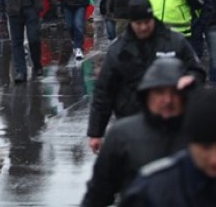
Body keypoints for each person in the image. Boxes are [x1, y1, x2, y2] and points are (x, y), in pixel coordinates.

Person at [86, 0, 205, 153]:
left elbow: (196, 71)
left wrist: (191, 79)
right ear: (131, 23)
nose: (143, 27)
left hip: (170, 123)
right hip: (132, 123)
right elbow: (104, 91)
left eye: (147, 22)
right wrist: (96, 132)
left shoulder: (174, 42)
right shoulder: (118, 50)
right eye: (138, 23)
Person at [81, 57, 194, 207]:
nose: (168, 100)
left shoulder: (200, 133)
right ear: (147, 95)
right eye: (159, 91)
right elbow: (98, 193)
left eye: (175, 92)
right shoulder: (122, 135)